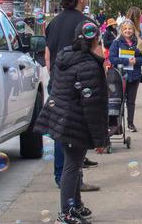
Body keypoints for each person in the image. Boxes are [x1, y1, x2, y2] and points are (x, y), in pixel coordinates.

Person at [34, 20, 109, 224]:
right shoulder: (89, 66)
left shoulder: (68, 56)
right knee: (72, 165)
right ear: (94, 40)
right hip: (74, 121)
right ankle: (66, 213)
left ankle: (75, 205)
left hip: (62, 117)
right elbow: (92, 106)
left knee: (74, 165)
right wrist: (101, 139)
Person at [44, 0, 100, 192]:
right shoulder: (87, 23)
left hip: (58, 84)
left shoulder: (53, 23)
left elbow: (48, 55)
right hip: (80, 85)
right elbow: (97, 56)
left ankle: (61, 175)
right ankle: (73, 179)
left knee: (59, 131)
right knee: (77, 133)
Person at [108, 20, 142, 132]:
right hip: (120, 76)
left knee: (131, 101)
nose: (127, 31)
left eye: (130, 29)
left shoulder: (139, 42)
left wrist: (136, 60)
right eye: (125, 29)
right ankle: (117, 125)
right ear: (121, 30)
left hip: (134, 76)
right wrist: (126, 61)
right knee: (118, 101)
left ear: (133, 30)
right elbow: (112, 58)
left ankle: (130, 123)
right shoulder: (116, 42)